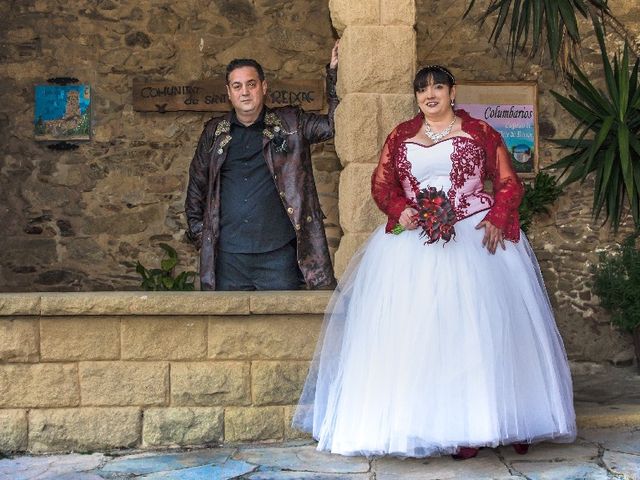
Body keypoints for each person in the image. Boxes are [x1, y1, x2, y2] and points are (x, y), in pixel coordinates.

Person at [293, 65, 576, 459]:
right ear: (416, 97)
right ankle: (440, 423)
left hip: (475, 238)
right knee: (425, 334)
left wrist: (498, 216)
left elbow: (509, 182)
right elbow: (382, 184)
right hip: (415, 243)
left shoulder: (480, 132)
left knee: (484, 329)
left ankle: (506, 416)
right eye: (423, 89)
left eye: (438, 87)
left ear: (452, 92)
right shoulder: (401, 135)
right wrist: (400, 209)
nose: (430, 95)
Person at [185, 42, 339, 291]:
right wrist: (202, 236)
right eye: (237, 86)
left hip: (277, 255)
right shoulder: (215, 132)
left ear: (264, 87)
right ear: (229, 92)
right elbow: (197, 187)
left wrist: (334, 74)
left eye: (251, 84)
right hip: (228, 257)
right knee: (227, 329)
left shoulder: (291, 123)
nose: (244, 92)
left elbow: (334, 125)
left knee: (283, 327)